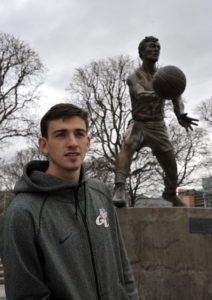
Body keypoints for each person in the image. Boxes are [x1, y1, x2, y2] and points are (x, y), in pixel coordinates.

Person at [2, 103, 139, 300]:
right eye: (61, 135)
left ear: (88, 142)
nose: (72, 142)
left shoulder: (100, 193)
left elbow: (123, 267)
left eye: (79, 134)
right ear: (44, 145)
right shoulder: (22, 212)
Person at [113, 36, 198, 207]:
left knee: (172, 169)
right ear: (141, 52)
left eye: (158, 46)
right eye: (152, 46)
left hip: (158, 126)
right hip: (138, 124)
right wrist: (164, 91)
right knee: (128, 143)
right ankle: (119, 187)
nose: (156, 49)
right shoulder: (133, 77)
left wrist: (180, 114)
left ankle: (170, 194)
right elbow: (140, 94)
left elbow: (177, 99)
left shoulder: (166, 76)